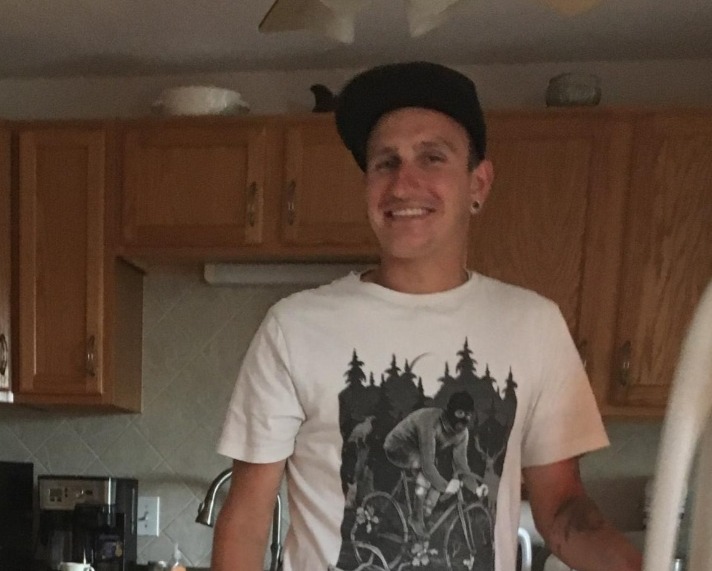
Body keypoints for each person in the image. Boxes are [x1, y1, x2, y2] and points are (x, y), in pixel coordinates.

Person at [212, 61, 642, 571]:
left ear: (478, 183)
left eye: (432, 157)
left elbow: (562, 506)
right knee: (418, 493)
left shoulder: (535, 325)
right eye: (385, 163)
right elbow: (248, 518)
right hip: (400, 457)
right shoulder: (293, 327)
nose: (403, 184)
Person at [383, 391, 488, 535]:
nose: (464, 419)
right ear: (450, 411)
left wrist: (476, 488)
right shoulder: (431, 423)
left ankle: (425, 513)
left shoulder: (463, 434)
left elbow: (461, 466)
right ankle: (416, 518)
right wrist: (446, 487)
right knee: (427, 474)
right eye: (460, 413)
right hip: (398, 445)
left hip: (419, 449)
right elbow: (427, 466)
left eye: (468, 415)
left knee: (438, 477)